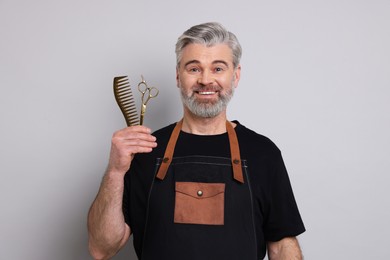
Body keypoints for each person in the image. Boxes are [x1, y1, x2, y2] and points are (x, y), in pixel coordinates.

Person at [88, 22, 305, 260]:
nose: (205, 80)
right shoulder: (146, 150)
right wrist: (116, 171)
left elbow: (282, 246)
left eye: (218, 68)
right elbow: (102, 248)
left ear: (236, 76)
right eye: (194, 69)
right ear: (178, 76)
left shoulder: (263, 154)